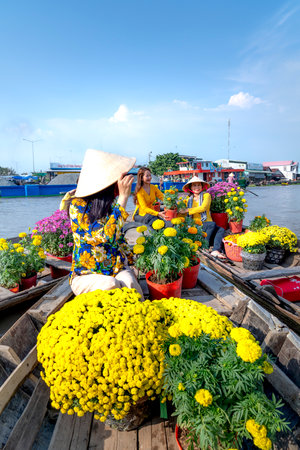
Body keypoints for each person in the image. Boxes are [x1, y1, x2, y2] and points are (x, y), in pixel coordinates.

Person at [69, 149, 144, 299]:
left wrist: (133, 261)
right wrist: (123, 198)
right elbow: (105, 236)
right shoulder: (77, 206)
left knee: (131, 286)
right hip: (86, 274)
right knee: (110, 284)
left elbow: (118, 238)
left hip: (115, 268)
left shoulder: (109, 204)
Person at [182, 176, 226, 259]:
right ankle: (204, 246)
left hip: (207, 223)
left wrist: (187, 210)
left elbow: (203, 208)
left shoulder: (206, 195)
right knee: (212, 225)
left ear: (202, 186)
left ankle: (215, 250)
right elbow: (183, 212)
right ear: (190, 187)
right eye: (194, 185)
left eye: (199, 185)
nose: (197, 187)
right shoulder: (188, 199)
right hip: (195, 225)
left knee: (220, 229)